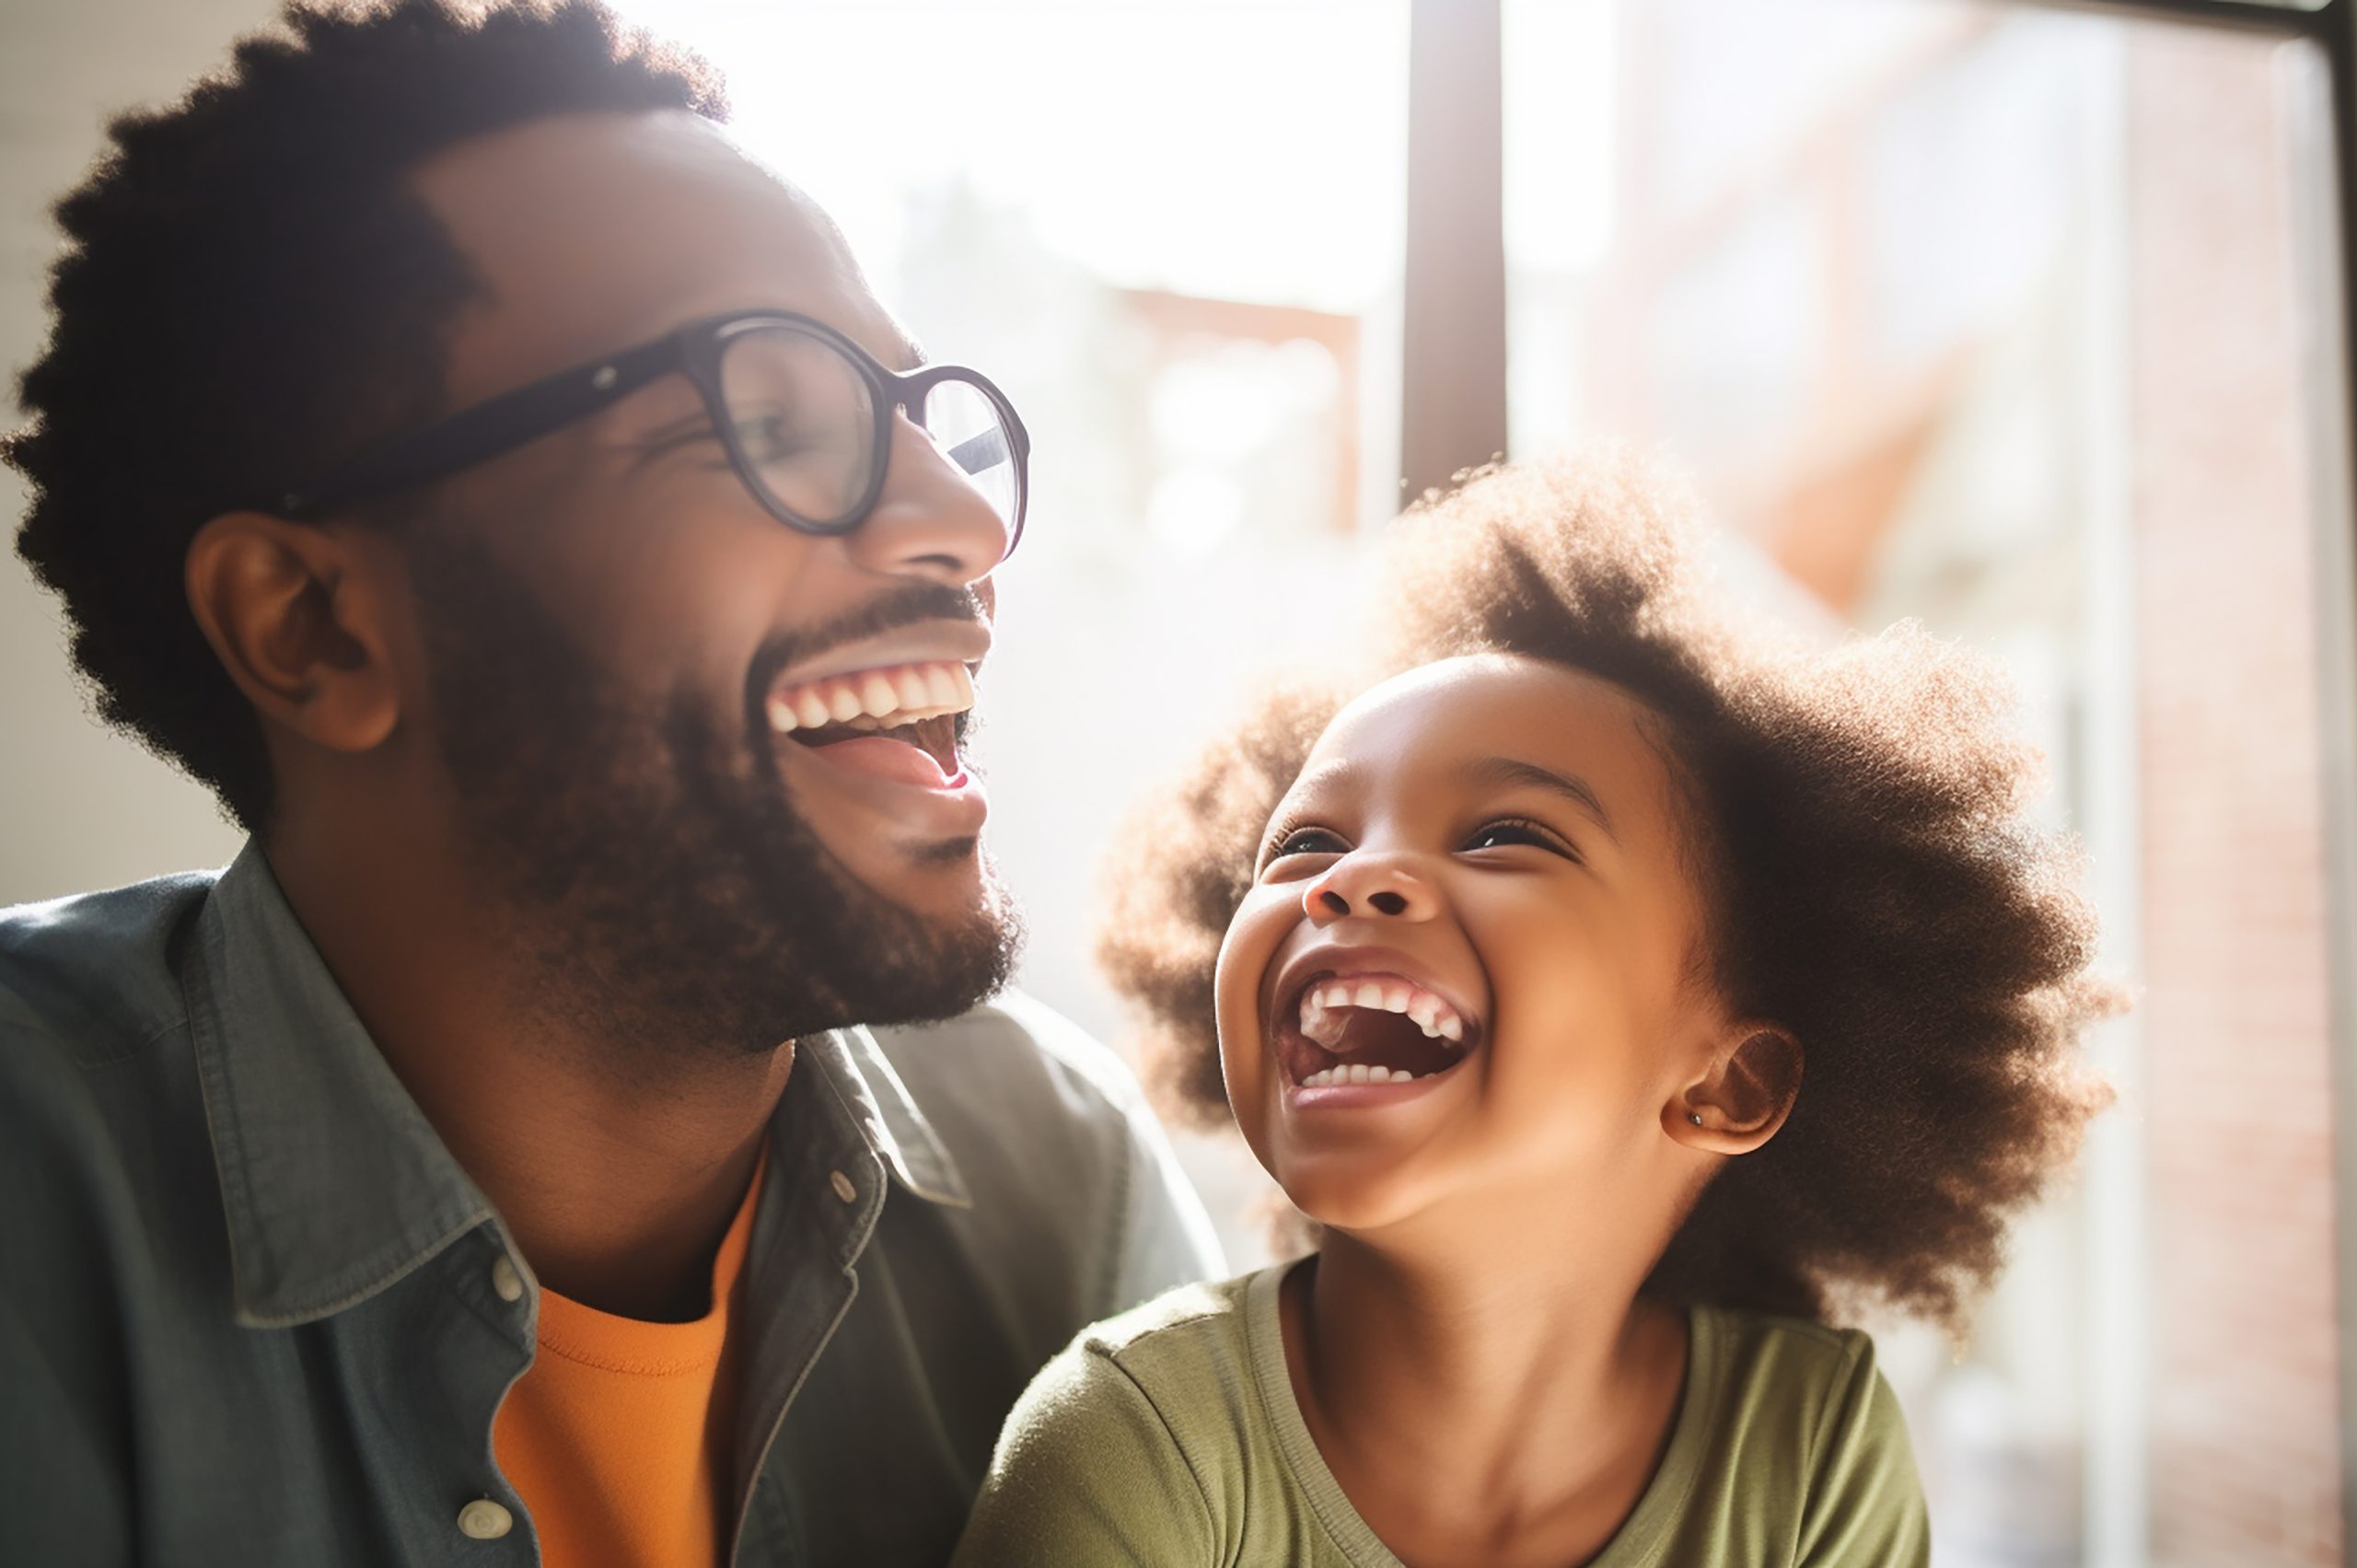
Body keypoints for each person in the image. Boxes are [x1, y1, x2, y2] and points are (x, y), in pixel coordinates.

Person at [0, 3, 1221, 1564]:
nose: (962, 527)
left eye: (919, 418)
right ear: (316, 627)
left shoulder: (1054, 1169)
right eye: (768, 417)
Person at [952, 455, 2117, 1567]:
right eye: (1307, 841)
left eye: (1508, 835)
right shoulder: (1132, 1446)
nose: (1344, 879)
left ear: (1726, 1083)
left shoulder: (1809, 1450)